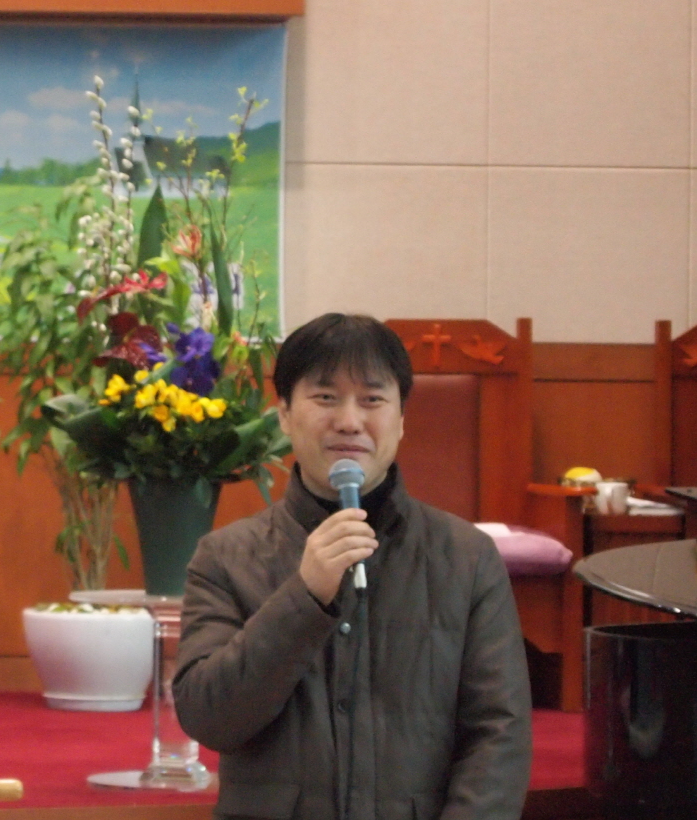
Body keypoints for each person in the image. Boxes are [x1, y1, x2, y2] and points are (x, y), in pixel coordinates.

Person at [172, 313, 531, 820]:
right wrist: (305, 597)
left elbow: (499, 733)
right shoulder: (226, 557)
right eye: (325, 397)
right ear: (284, 414)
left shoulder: (466, 557)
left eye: (372, 399)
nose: (349, 421)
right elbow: (210, 718)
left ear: (401, 419)